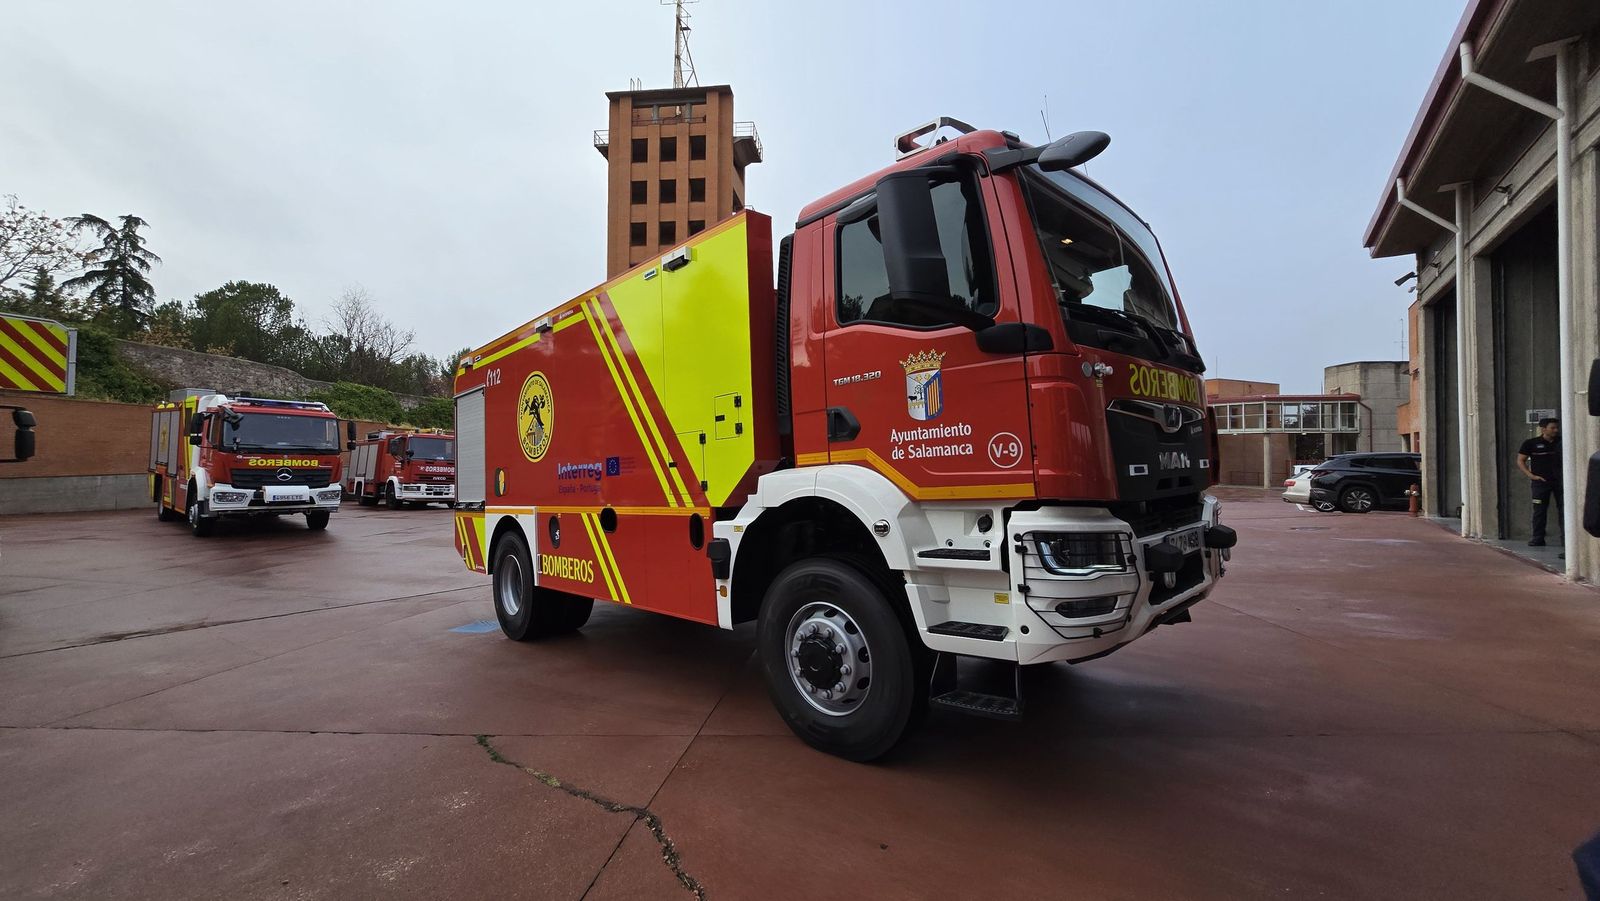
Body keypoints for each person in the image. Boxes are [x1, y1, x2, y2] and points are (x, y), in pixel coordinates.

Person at [1517, 417, 1562, 547]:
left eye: (1556, 428)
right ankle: (1538, 538)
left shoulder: (1561, 442)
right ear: (1543, 429)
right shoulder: (1531, 443)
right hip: (1540, 483)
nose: (1556, 430)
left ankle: (1566, 540)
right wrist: (1531, 476)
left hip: (1559, 482)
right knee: (1539, 511)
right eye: (1552, 428)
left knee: (1564, 510)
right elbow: (1520, 460)